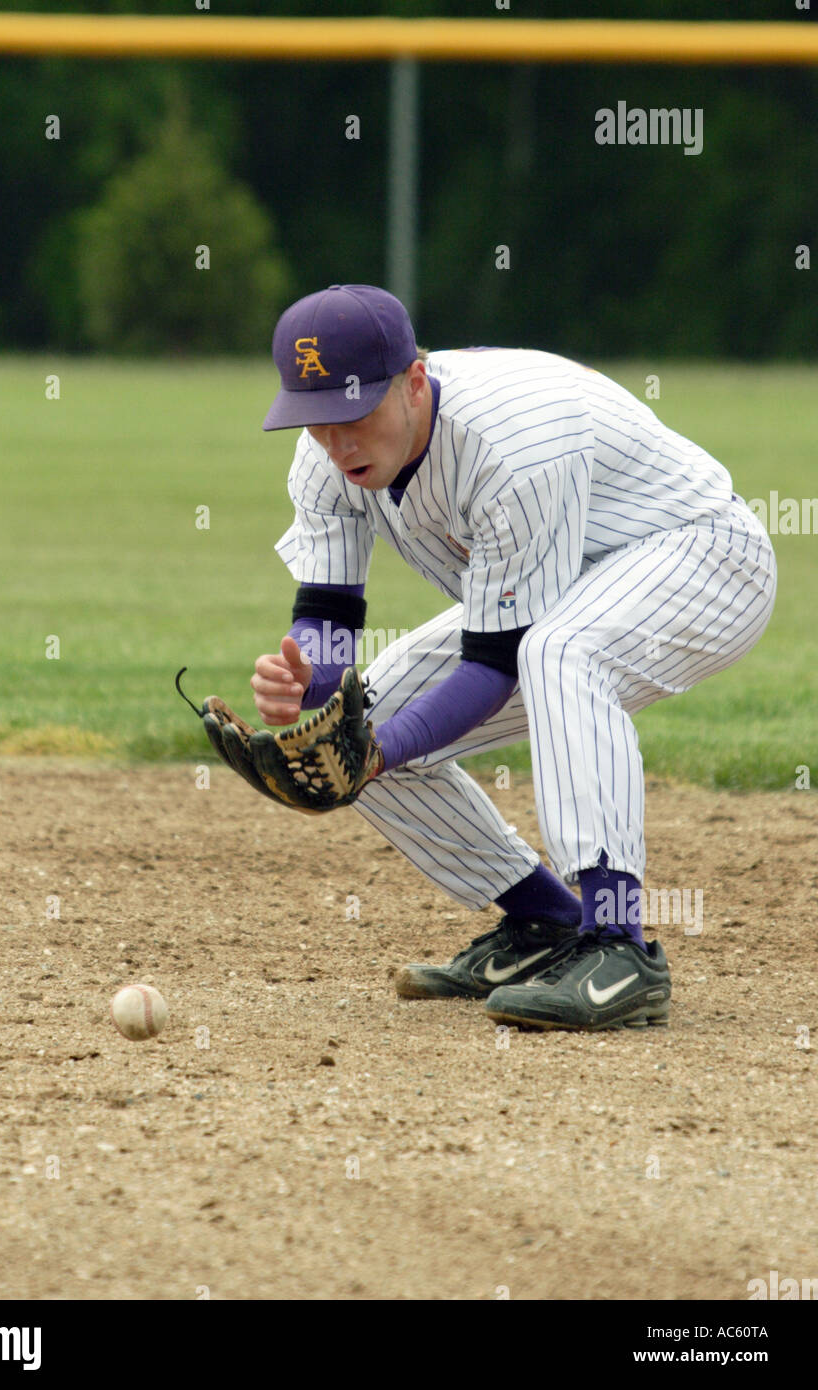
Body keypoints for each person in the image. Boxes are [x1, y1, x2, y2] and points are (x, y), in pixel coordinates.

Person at [252, 283, 776, 1031]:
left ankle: (618, 945)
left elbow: (497, 663)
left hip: (701, 556)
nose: (336, 443)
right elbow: (329, 616)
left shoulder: (510, 442)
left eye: (353, 412)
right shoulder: (325, 462)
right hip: (566, 585)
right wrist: (309, 681)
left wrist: (372, 752)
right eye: (314, 419)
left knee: (558, 655)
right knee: (366, 716)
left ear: (414, 382)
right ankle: (546, 922)